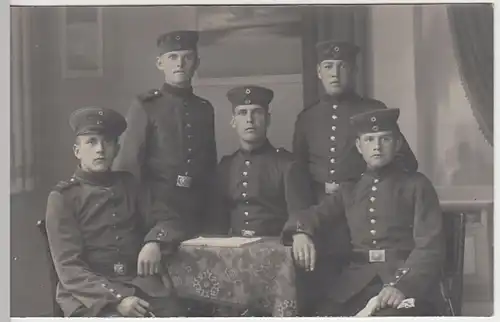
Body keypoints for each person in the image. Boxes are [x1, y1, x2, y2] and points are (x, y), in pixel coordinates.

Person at [292, 41, 419, 314]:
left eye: (342, 66)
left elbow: (406, 163)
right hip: (323, 226)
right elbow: (298, 178)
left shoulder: (374, 111)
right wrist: (302, 229)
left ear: (354, 71)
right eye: (328, 66)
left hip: (360, 222)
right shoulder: (307, 118)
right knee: (321, 301)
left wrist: (367, 184)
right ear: (318, 72)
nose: (335, 73)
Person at [284, 108, 445, 316]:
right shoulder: (350, 189)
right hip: (356, 284)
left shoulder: (417, 185)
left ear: (397, 144)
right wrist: (300, 232)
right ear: (359, 147)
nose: (377, 147)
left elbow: (430, 246)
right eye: (369, 140)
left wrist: (404, 285)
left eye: (384, 139)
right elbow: (313, 214)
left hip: (404, 283)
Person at [45, 107, 187, 317]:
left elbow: (168, 219)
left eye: (107, 142)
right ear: (77, 151)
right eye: (91, 142)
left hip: (139, 286)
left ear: (117, 148)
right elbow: (69, 268)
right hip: (89, 296)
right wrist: (117, 299)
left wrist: (154, 242)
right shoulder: (63, 198)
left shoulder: (130, 185)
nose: (100, 149)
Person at [113, 30, 217, 238]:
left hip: (198, 211)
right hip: (156, 212)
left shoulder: (204, 108)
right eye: (173, 57)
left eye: (187, 57)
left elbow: (209, 167)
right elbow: (127, 168)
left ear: (197, 63)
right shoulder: (146, 106)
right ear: (160, 64)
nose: (180, 64)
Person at [206, 85, 314, 238]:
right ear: (233, 122)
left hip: (275, 249)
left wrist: (300, 235)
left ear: (268, 119)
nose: (249, 119)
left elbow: (299, 214)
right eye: (242, 113)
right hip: (234, 251)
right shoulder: (226, 167)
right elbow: (217, 223)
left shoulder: (287, 165)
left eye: (257, 112)